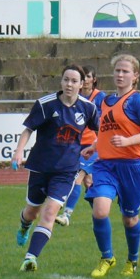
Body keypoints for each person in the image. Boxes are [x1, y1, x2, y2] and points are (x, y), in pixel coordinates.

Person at [12, 65, 100, 272]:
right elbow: (28, 129)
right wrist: (18, 151)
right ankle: (24, 226)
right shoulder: (46, 104)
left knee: (50, 212)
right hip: (40, 167)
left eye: (74, 81)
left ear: (82, 84)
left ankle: (30, 258)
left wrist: (95, 147)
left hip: (67, 170)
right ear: (61, 81)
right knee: (31, 212)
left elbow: (102, 131)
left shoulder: (88, 108)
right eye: (66, 80)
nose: (69, 84)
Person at [87, 54, 140, 278]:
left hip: (133, 166)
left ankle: (132, 259)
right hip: (106, 165)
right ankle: (107, 257)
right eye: (117, 70)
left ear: (135, 76)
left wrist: (128, 141)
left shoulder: (137, 101)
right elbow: (106, 131)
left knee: (129, 219)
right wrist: (94, 146)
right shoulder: (105, 101)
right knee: (100, 210)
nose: (120, 74)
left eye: (125, 71)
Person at [56, 65, 105, 227]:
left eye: (89, 77)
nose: (86, 80)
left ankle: (66, 215)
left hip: (92, 146)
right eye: (84, 77)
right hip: (75, 144)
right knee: (88, 182)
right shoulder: (74, 97)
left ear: (93, 80)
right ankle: (100, 215)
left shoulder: (100, 98)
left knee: (77, 177)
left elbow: (106, 118)